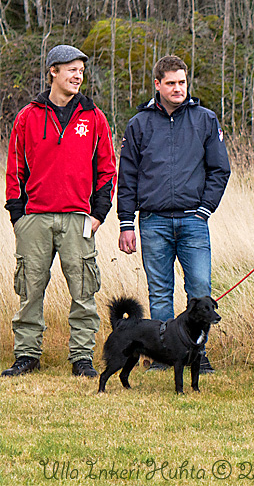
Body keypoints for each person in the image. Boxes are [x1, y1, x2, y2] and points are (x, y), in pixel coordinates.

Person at [4, 45, 116, 377]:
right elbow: (15, 169)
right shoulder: (28, 115)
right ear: (53, 71)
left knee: (83, 291)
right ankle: (27, 355)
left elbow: (107, 170)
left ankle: (82, 357)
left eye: (81, 70)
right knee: (30, 290)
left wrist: (98, 214)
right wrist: (18, 216)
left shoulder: (94, 116)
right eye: (71, 69)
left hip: (79, 219)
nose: (78, 75)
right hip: (34, 219)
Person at [117, 55, 230, 372]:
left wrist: (204, 210)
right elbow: (127, 178)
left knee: (199, 289)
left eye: (182, 82)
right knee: (160, 292)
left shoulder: (205, 119)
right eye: (171, 83)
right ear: (157, 84)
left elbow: (220, 170)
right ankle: (164, 356)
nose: (178, 88)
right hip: (153, 221)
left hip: (193, 220)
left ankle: (198, 355)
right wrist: (127, 223)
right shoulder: (139, 124)